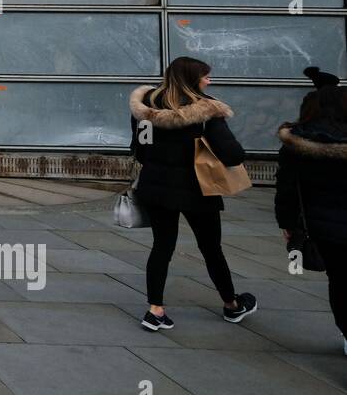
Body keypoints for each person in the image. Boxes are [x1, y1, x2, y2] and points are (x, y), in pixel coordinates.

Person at [129, 56, 256, 331]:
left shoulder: (146, 107)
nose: (209, 80)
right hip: (198, 189)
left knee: (162, 246)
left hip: (155, 188)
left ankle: (155, 310)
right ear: (191, 79)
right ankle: (232, 305)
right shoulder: (206, 111)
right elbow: (233, 155)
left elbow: (140, 149)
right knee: (211, 248)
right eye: (205, 76)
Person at [274, 67, 347, 356]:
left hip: (324, 228)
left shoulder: (297, 144)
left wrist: (289, 224)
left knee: (340, 282)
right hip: (328, 224)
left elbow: (287, 189)